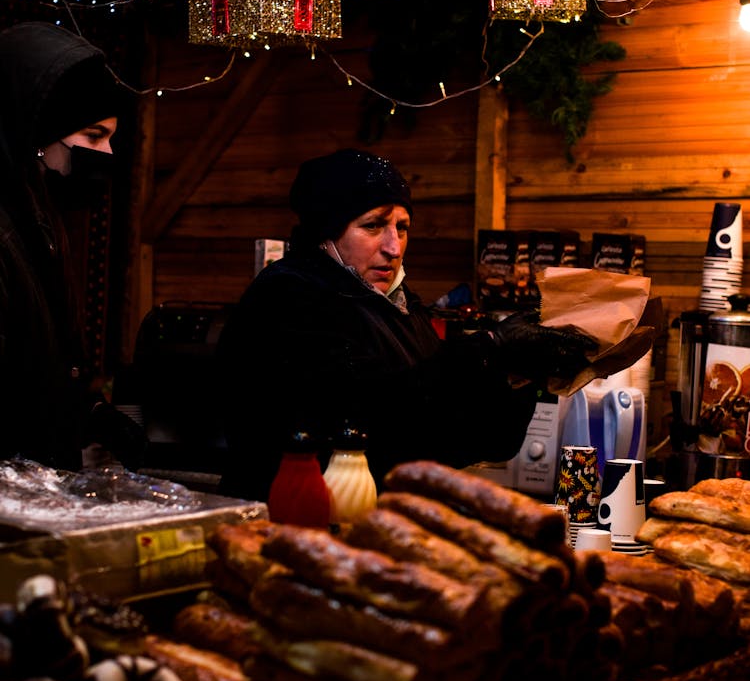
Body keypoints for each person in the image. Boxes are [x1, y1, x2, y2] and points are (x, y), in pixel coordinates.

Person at [215, 147, 596, 502]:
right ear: (325, 232)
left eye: (402, 227)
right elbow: (366, 416)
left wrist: (518, 374)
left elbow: (470, 439)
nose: (394, 247)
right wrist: (488, 347)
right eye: (373, 226)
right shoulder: (289, 294)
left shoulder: (397, 305)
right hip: (296, 521)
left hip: (386, 525)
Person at [0, 20, 144, 471]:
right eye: (94, 135)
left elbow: (45, 352)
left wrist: (90, 413)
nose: (106, 153)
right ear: (41, 129)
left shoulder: (39, 212)